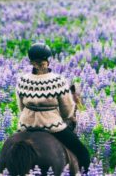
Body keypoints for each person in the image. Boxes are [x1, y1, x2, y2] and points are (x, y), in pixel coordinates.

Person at [16, 43, 91, 171]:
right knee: (82, 153)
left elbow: (21, 107)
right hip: (52, 126)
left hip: (25, 126)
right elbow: (67, 111)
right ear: (48, 61)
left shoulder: (22, 80)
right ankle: (84, 172)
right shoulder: (57, 81)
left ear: (31, 62)